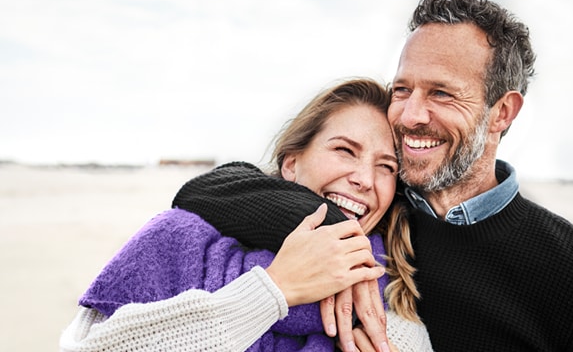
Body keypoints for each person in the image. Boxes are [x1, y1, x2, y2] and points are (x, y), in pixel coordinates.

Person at [182, 0, 573, 351]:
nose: (410, 115)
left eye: (441, 93)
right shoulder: (375, 207)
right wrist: (338, 235)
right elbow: (205, 190)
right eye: (402, 89)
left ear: (503, 112)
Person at [59, 78, 433, 352]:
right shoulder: (177, 235)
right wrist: (273, 290)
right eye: (344, 150)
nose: (365, 179)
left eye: (386, 166)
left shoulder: (388, 288)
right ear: (291, 162)